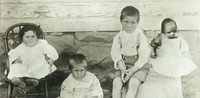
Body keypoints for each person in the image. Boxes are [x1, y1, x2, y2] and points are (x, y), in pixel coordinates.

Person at [137, 18, 198, 98]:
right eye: (169, 32)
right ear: (163, 33)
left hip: (175, 64)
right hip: (164, 63)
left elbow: (184, 50)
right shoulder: (161, 39)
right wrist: (156, 49)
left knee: (174, 83)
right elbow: (154, 51)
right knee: (160, 82)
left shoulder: (180, 40)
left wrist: (182, 56)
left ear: (178, 31)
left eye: (175, 31)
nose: (172, 34)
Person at [110, 6, 151, 98]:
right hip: (123, 66)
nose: (129, 26)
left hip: (138, 67)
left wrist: (132, 70)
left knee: (133, 83)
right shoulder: (118, 37)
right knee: (116, 83)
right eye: (126, 22)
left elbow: (144, 56)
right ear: (121, 21)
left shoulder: (140, 36)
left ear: (137, 23)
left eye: (133, 23)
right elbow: (115, 54)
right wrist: (122, 69)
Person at [7, 25, 58, 94]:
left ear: (37, 37)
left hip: (38, 65)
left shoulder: (42, 44)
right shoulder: (22, 46)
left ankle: (28, 81)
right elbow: (13, 54)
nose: (30, 39)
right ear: (22, 38)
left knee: (39, 67)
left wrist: (51, 58)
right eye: (27, 37)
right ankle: (19, 81)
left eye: (33, 36)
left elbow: (51, 51)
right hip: (25, 65)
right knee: (15, 67)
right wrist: (15, 60)